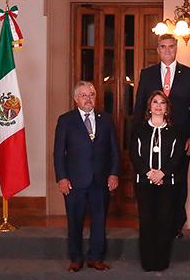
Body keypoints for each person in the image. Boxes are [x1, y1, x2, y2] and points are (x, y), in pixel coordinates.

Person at [133, 33, 190, 238]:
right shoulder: (147, 74)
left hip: (179, 140)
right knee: (152, 179)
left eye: (171, 46)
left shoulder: (189, 74)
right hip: (152, 138)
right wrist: (137, 136)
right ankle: (154, 224)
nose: (167, 50)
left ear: (176, 48)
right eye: (163, 46)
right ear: (158, 50)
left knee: (178, 181)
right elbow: (139, 106)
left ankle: (176, 225)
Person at [53, 81, 119, 273]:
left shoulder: (106, 119)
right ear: (76, 99)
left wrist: (114, 173)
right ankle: (76, 258)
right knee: (75, 221)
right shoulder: (66, 120)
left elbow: (114, 150)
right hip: (74, 181)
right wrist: (62, 177)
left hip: (100, 180)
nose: (88, 98)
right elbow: (58, 153)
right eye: (83, 95)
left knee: (99, 221)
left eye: (91, 94)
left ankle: (96, 257)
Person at [129, 90, 184, 272]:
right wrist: (149, 173)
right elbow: (134, 154)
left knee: (164, 222)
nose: (158, 106)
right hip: (144, 183)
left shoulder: (174, 131)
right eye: (155, 102)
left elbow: (177, 156)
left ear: (167, 108)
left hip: (167, 184)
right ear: (149, 107)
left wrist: (162, 173)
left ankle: (161, 262)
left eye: (162, 102)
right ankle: (148, 262)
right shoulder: (139, 129)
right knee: (147, 222)